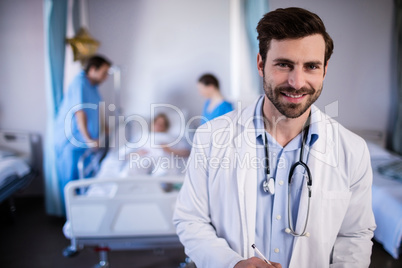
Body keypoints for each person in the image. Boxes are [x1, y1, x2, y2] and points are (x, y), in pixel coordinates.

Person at [173, 7, 376, 268]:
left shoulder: (352, 150)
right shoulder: (211, 138)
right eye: (284, 64)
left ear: (324, 69)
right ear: (261, 64)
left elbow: (355, 234)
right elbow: (190, 219)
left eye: (311, 66)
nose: (296, 81)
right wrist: (230, 264)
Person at [54, 55, 112, 212]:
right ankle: (71, 217)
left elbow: (97, 111)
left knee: (83, 177)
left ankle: (82, 212)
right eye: (104, 72)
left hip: (83, 141)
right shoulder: (79, 83)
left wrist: (106, 127)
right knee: (71, 180)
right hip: (71, 140)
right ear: (93, 69)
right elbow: (80, 113)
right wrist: (89, 139)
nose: (106, 77)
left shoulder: (93, 87)